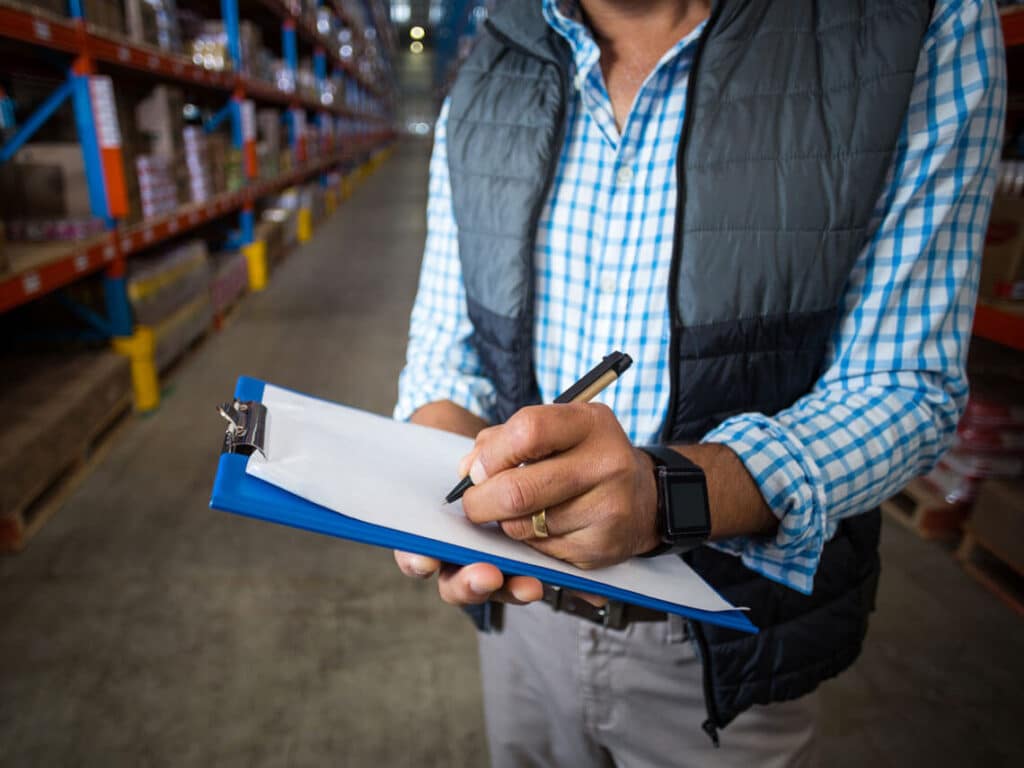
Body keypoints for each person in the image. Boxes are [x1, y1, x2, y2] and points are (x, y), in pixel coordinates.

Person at [393, 0, 1005, 765]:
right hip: (518, 617)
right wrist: (439, 478)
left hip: (722, 643)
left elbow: (904, 382)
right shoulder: (493, 60)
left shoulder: (912, 24)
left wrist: (667, 494)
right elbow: (444, 347)